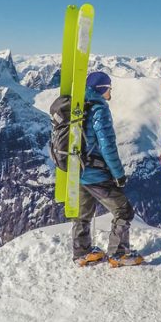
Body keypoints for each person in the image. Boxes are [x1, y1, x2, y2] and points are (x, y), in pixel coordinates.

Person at [49, 71, 143, 268]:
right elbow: (107, 145)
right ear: (102, 89)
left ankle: (82, 253)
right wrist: (118, 174)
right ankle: (118, 254)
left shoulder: (77, 106)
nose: (110, 92)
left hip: (78, 170)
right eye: (109, 88)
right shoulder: (99, 109)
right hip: (96, 172)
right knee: (123, 211)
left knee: (83, 214)